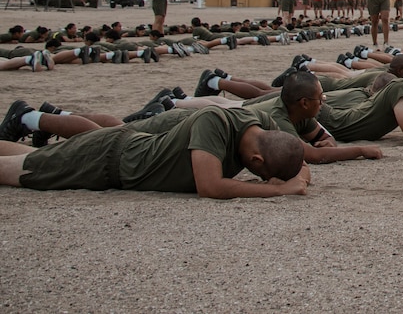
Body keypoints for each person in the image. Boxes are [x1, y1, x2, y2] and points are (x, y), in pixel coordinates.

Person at [0, 105, 309, 198]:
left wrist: (298, 180)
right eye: (260, 173)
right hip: (106, 159)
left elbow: (299, 160)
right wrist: (276, 191)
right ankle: (27, 116)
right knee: (16, 171)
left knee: (27, 158)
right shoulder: (215, 121)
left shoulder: (261, 126)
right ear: (256, 160)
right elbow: (211, 187)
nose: (259, 177)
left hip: (117, 158)